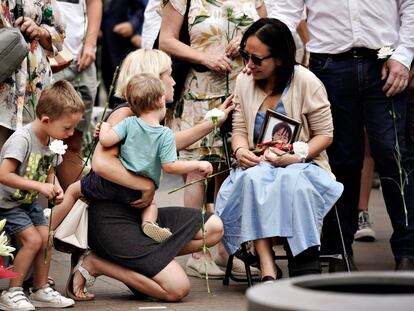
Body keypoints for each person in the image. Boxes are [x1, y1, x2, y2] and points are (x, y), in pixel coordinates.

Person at [51, 48, 232, 301]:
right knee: (177, 288)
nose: (174, 80)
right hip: (113, 217)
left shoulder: (148, 116)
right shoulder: (124, 113)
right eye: (168, 75)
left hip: (138, 214)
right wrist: (145, 186)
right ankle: (97, 263)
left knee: (213, 227)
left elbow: (170, 143)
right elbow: (101, 164)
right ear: (154, 81)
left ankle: (146, 260)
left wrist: (213, 121)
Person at [271, 0, 414, 270]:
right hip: (329, 64)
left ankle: (407, 252)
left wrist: (404, 56)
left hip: (385, 60)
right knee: (340, 158)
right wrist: (267, 45)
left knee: (393, 155)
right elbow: (285, 10)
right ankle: (339, 250)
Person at [215, 18, 344, 282]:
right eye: (245, 56)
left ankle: (304, 259)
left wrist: (296, 156)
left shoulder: (307, 82)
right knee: (253, 180)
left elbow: (325, 135)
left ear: (281, 58)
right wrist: (240, 152)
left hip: (303, 163)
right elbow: (238, 129)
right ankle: (266, 264)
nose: (249, 65)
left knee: (293, 182)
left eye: (256, 59)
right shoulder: (244, 81)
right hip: (257, 164)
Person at [159, 0, 266, 279]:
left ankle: (224, 248)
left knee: (229, 169)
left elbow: (267, 31)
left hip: (244, 89)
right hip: (201, 89)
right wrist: (203, 57)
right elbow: (166, 41)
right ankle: (197, 251)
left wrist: (246, 42)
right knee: (198, 168)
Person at [58, 73, 213, 243]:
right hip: (136, 193)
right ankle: (148, 223)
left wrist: (105, 127)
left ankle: (52, 225)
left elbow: (106, 140)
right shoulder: (165, 134)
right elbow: (170, 166)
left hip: (111, 183)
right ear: (161, 101)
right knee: (151, 205)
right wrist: (196, 164)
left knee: (73, 190)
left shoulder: (128, 123)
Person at [0, 80, 83, 310]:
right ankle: (12, 292)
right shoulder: (22, 139)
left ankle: (40, 289)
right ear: (46, 120)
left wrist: (54, 187)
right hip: (6, 204)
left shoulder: (52, 140)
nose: (71, 133)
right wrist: (39, 188)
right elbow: (4, 175)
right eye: (67, 128)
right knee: (33, 240)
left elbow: (49, 170)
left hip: (26, 203)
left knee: (46, 238)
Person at [0, 0, 65, 148]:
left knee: (32, 162)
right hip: (3, 88)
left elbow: (60, 35)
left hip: (35, 88)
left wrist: (40, 31)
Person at [54, 0, 101, 190]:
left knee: (72, 142)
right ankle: (45, 210)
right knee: (46, 142)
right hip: (49, 59)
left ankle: (72, 210)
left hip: (81, 61)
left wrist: (90, 44)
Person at [100, 0, 148, 105]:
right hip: (102, 44)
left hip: (125, 44)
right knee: (108, 84)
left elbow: (145, 7)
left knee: (125, 91)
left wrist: (132, 25)